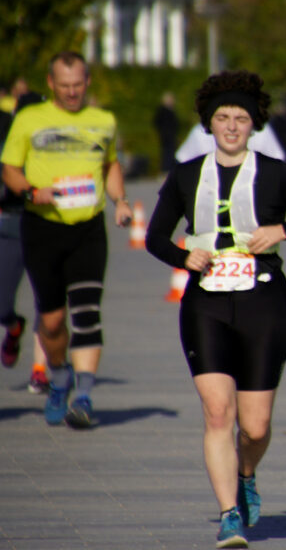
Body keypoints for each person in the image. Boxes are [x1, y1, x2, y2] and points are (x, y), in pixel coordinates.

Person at [145, 70, 286, 549]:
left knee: (254, 426)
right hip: (205, 302)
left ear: (254, 124)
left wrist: (284, 231)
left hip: (264, 301)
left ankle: (246, 470)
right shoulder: (187, 175)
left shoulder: (274, 172)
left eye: (240, 118)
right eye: (222, 118)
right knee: (217, 413)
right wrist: (181, 255)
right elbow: (153, 236)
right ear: (208, 124)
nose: (231, 126)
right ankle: (229, 513)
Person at [1, 51, 133, 428]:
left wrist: (120, 201)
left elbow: (110, 164)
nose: (72, 93)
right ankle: (59, 376)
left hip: (88, 228)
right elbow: (9, 168)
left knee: (87, 312)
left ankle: (85, 396)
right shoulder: (29, 119)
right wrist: (30, 191)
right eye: (65, 86)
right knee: (53, 321)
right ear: (51, 84)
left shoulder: (102, 120)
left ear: (87, 82)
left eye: (78, 86)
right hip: (42, 227)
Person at [0, 85, 49, 393]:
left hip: (46, 226)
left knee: (49, 303)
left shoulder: (52, 147)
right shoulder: (7, 142)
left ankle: (40, 370)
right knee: (2, 303)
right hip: (11, 224)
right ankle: (13, 326)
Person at [154, 91, 181, 172]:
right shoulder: (163, 111)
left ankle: (169, 169)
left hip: (170, 135)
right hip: (166, 135)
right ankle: (166, 169)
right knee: (167, 153)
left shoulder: (170, 111)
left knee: (170, 153)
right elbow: (157, 122)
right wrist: (162, 131)